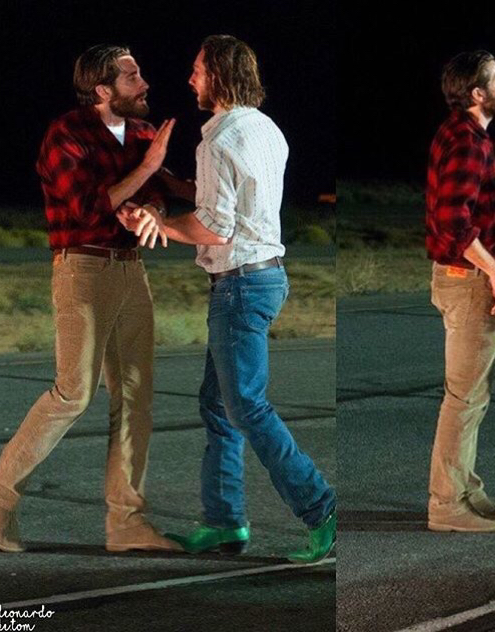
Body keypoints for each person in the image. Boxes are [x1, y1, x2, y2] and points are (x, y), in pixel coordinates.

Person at [122, 35, 336, 563]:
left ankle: (322, 509)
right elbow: (229, 199)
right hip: (265, 277)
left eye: (197, 70)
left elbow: (215, 228)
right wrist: (165, 180)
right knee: (218, 406)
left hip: (239, 285)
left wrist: (158, 224)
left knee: (246, 408)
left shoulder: (216, 140)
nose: (190, 78)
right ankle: (224, 522)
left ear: (218, 75)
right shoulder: (265, 129)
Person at [0, 44, 181, 553]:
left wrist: (151, 209)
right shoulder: (66, 135)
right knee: (73, 393)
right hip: (82, 269)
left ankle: (126, 523)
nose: (145, 83)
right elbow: (88, 208)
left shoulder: (142, 132)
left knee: (135, 397)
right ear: (103, 89)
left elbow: (158, 191)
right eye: (133, 77)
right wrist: (148, 168)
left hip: (131, 269)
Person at [425, 50, 495, 533]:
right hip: (468, 282)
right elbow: (453, 220)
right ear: (477, 93)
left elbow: (479, 177)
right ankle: (447, 505)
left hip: (462, 279)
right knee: (463, 398)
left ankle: (467, 490)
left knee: (473, 395)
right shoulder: (467, 141)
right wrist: (494, 272)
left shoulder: (467, 135)